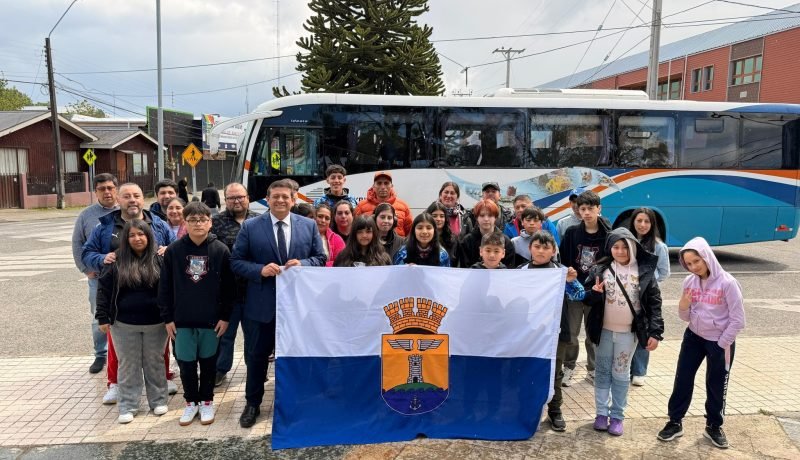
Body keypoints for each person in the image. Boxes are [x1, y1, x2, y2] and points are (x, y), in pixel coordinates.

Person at [231, 179, 326, 428]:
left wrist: (303, 264)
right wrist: (260, 270)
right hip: (262, 306)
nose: (281, 200)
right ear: (267, 199)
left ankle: (299, 402)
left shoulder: (308, 225)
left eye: (286, 196)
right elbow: (236, 261)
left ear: (294, 199)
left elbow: (320, 258)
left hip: (297, 308)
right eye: (276, 196)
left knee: (297, 356)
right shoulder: (251, 227)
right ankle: (252, 404)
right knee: (257, 357)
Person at [82, 183, 177, 404]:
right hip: (118, 296)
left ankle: (162, 377)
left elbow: (176, 248)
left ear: (143, 198)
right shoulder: (105, 226)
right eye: (126, 196)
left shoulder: (158, 223)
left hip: (153, 297)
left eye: (137, 195)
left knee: (156, 345)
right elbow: (87, 252)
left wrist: (168, 250)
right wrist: (101, 259)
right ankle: (115, 383)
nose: (132, 200)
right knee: (119, 347)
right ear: (118, 199)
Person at [657, 237, 745, 449]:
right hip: (693, 338)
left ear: (707, 257)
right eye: (689, 263)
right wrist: (683, 305)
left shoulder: (728, 283)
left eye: (697, 260)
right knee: (682, 379)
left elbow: (738, 320)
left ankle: (714, 425)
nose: (694, 266)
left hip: (719, 341)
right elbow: (685, 317)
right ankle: (675, 421)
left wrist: (722, 343)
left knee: (716, 384)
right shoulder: (689, 282)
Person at [159, 202, 235, 426]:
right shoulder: (174, 251)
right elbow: (164, 287)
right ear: (185, 222)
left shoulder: (220, 250)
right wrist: (167, 318)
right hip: (182, 321)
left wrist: (225, 316)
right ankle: (191, 402)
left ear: (210, 223)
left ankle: (207, 402)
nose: (198, 224)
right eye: (192, 220)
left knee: (209, 363)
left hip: (211, 321)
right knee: (186, 364)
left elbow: (229, 288)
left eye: (203, 219)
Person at [585, 227, 663, 437]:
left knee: (620, 373)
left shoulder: (644, 272)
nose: (620, 251)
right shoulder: (600, 270)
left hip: (629, 334)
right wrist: (593, 294)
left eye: (625, 247)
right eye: (615, 247)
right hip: (603, 332)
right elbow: (585, 297)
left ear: (633, 248)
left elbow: (655, 304)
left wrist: (656, 332)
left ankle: (617, 416)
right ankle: (601, 414)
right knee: (601, 372)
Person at [96, 220, 169, 424]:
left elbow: (170, 290)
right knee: (128, 365)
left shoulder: (160, 259)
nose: (137, 239)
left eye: (142, 234)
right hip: (123, 324)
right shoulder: (116, 260)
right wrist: (102, 317)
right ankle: (128, 405)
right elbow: (104, 290)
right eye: (132, 235)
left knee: (154, 362)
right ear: (126, 239)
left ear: (149, 236)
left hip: (156, 323)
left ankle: (158, 400)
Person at [519, 231, 584, 431]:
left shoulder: (561, 271)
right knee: (528, 371)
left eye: (546, 247)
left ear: (553, 251)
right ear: (530, 249)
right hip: (528, 333)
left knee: (554, 374)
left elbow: (580, 295)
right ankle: (528, 410)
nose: (541, 251)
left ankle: (555, 411)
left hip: (557, 333)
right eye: (537, 246)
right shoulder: (520, 272)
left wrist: (572, 281)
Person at [558, 190, 610, 386]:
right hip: (574, 290)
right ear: (578, 210)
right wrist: (569, 275)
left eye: (590, 208)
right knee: (571, 332)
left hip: (597, 291)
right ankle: (569, 366)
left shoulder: (608, 234)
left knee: (593, 332)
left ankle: (593, 369)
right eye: (583, 209)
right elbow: (563, 259)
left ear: (599, 209)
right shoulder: (572, 233)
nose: (586, 213)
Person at [211, 182, 258, 387]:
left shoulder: (260, 220)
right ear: (225, 201)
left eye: (240, 197)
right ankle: (220, 370)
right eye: (232, 198)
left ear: (247, 197)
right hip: (227, 290)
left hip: (254, 289)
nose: (237, 201)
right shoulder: (216, 222)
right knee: (225, 334)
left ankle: (255, 369)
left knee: (253, 334)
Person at [72, 173, 118, 374]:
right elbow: (78, 244)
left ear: (116, 189)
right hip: (98, 276)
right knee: (98, 315)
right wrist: (85, 269)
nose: (107, 192)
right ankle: (101, 354)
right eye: (102, 189)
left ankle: (120, 354)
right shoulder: (87, 215)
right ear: (95, 191)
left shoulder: (124, 210)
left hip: (123, 275)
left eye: (110, 187)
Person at [628, 207, 671, 386]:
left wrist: (649, 284)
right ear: (633, 222)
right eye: (639, 221)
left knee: (642, 331)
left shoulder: (659, 247)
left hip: (646, 297)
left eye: (647, 221)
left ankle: (639, 371)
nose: (642, 225)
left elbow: (664, 272)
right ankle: (626, 367)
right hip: (625, 293)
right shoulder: (626, 242)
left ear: (652, 224)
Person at [458, 199, 515, 268]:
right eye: (482, 215)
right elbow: (464, 268)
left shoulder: (506, 241)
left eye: (490, 215)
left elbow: (509, 269)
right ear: (476, 217)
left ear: (495, 217)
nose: (486, 219)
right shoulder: (467, 241)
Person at [355, 171, 413, 237]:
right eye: (379, 183)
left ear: (391, 186)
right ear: (373, 186)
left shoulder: (403, 206)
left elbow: (410, 232)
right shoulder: (361, 207)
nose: (383, 187)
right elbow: (355, 230)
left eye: (386, 183)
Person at [314, 203, 346, 267]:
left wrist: (321, 265)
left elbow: (341, 261)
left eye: (327, 218)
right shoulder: (304, 235)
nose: (323, 220)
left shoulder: (337, 239)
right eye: (320, 216)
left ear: (330, 221)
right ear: (314, 217)